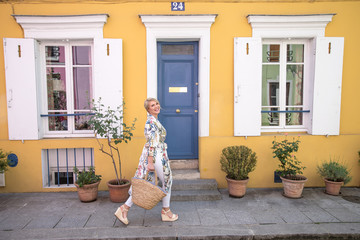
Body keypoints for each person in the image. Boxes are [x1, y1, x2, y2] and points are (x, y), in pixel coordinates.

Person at [114, 97, 178, 225]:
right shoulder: (151, 122)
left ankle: (124, 209)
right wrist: (150, 162)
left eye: (157, 104)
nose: (156, 106)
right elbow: (152, 143)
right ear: (148, 109)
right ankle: (165, 211)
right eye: (152, 105)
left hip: (158, 154)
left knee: (149, 182)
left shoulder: (154, 121)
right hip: (155, 156)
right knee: (165, 181)